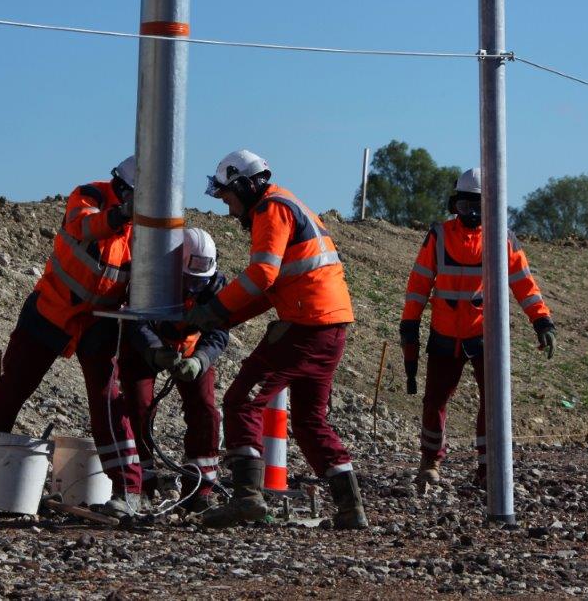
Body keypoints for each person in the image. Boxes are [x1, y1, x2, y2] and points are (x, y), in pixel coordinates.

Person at [185, 149, 368, 529]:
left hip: (306, 325)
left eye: (229, 198)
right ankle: (351, 508)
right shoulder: (289, 205)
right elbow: (270, 291)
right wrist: (224, 319)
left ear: (246, 186)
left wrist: (213, 310)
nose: (229, 209)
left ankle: (247, 498)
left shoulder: (272, 210)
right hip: (330, 327)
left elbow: (261, 277)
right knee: (309, 421)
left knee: (240, 401)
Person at [0, 156, 142, 517]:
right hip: (50, 311)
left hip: (99, 322)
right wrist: (121, 215)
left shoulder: (148, 227)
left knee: (108, 403)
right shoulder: (89, 195)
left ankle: (129, 491)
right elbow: (84, 226)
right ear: (122, 188)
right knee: (11, 391)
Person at [400, 167, 557, 489]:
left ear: (493, 206)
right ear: (454, 204)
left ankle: (488, 471)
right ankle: (430, 463)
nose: (471, 213)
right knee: (434, 401)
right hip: (444, 334)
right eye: (465, 205)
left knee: (493, 403)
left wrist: (541, 320)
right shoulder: (438, 236)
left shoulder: (502, 239)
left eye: (479, 206)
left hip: (487, 336)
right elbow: (418, 283)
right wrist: (409, 322)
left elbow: (524, 284)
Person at [118, 228, 229, 513]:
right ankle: (142, 482)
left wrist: (200, 360)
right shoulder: (149, 277)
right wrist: (155, 350)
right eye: (188, 280)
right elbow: (136, 322)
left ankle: (200, 487)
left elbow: (219, 331)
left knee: (205, 410)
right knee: (138, 407)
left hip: (192, 351)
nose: (193, 287)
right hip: (146, 348)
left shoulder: (216, 286)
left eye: (198, 282)